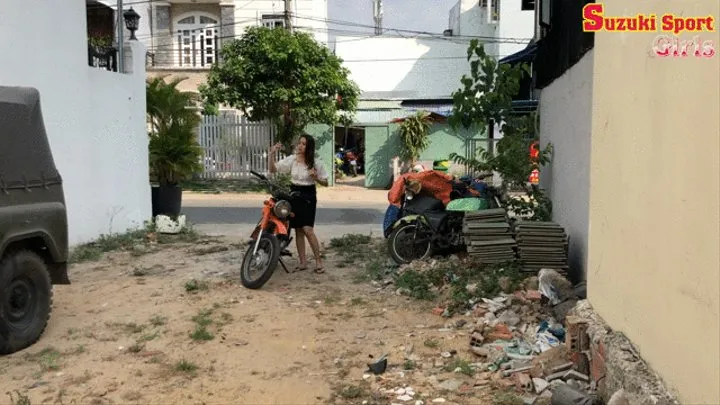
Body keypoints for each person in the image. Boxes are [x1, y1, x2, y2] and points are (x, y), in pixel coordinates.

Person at [268, 134, 328, 274]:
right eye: (299, 143)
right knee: (298, 230)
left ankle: (318, 261)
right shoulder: (292, 160)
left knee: (308, 229)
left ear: (309, 147)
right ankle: (303, 262)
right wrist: (271, 154)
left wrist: (316, 177)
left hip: (308, 196)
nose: (300, 146)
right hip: (294, 194)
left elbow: (326, 182)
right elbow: (273, 170)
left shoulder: (316, 162)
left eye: (304, 144)